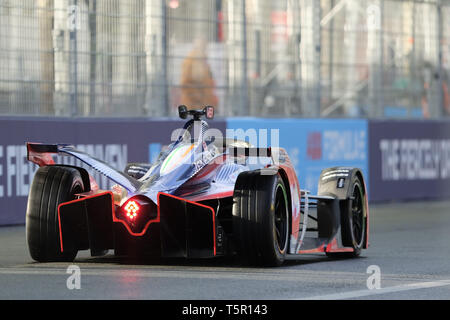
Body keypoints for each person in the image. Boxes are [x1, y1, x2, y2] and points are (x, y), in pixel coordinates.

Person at [179, 38, 218, 110]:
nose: (205, 49)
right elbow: (186, 83)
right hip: (194, 106)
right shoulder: (191, 61)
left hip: (205, 104)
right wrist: (198, 97)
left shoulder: (204, 61)